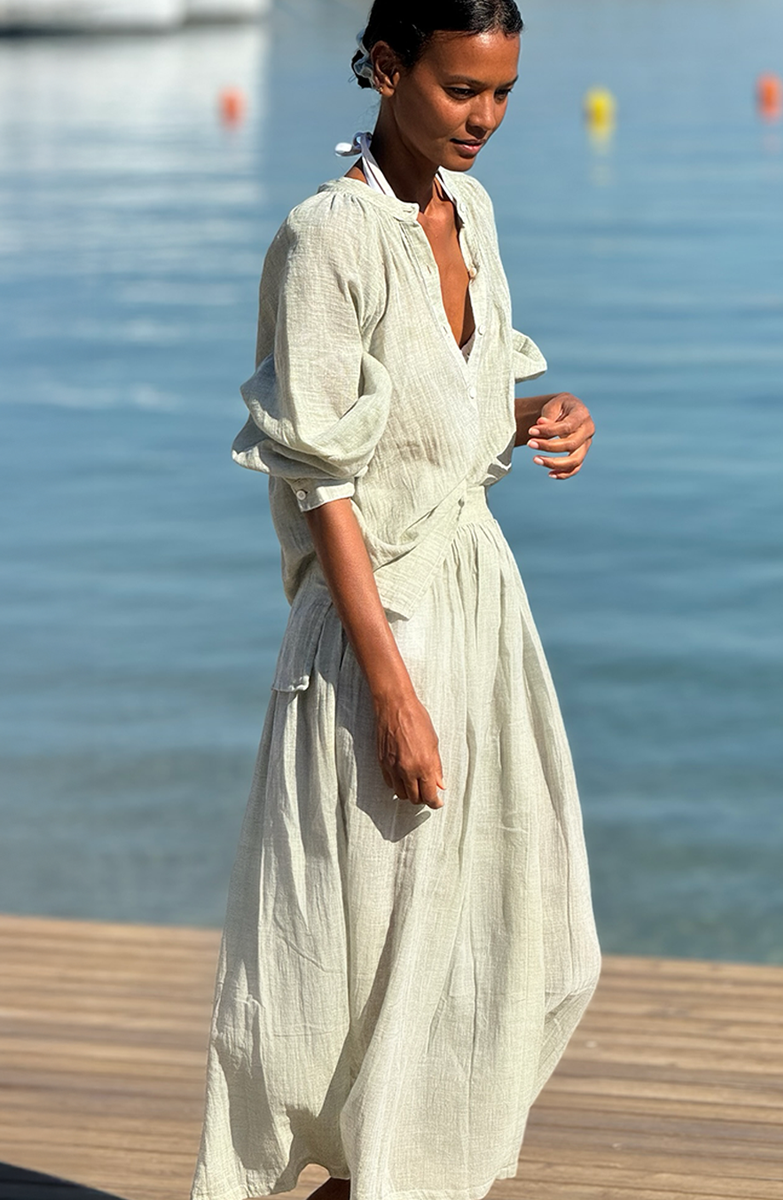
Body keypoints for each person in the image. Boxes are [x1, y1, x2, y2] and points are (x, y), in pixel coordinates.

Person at [191, 3, 601, 1198]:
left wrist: (539, 415)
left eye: (506, 93)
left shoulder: (471, 214)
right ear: (384, 68)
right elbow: (321, 477)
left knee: (530, 949)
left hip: (480, 612)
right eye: (462, 89)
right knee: (353, 976)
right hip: (381, 631)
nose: (487, 119)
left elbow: (450, 407)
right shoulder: (327, 239)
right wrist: (390, 692)